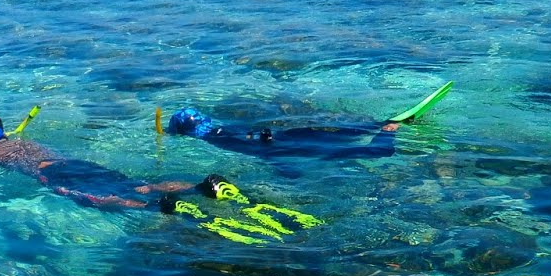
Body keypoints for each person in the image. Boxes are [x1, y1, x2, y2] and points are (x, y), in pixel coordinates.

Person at [0, 111, 205, 209]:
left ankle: (154, 207)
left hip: (51, 175)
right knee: (137, 184)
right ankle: (199, 188)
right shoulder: (22, 142)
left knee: (98, 200)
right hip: (74, 164)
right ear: (2, 132)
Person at [165, 107, 401, 160]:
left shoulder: (209, 139)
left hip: (275, 146)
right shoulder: (219, 127)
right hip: (281, 136)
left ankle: (388, 131)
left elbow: (247, 145)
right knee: (335, 134)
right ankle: (381, 125)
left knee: (379, 151)